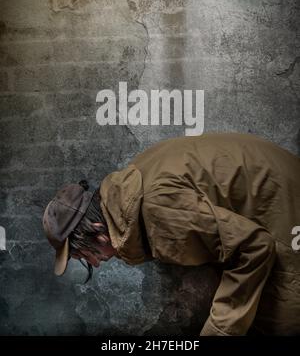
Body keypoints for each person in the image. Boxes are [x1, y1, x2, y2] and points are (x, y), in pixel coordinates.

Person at [43, 132, 300, 336]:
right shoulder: (132, 190)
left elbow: (255, 247)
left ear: (98, 232)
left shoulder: (155, 208)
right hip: (271, 197)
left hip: (284, 205)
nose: (95, 264)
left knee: (282, 319)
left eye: (85, 256)